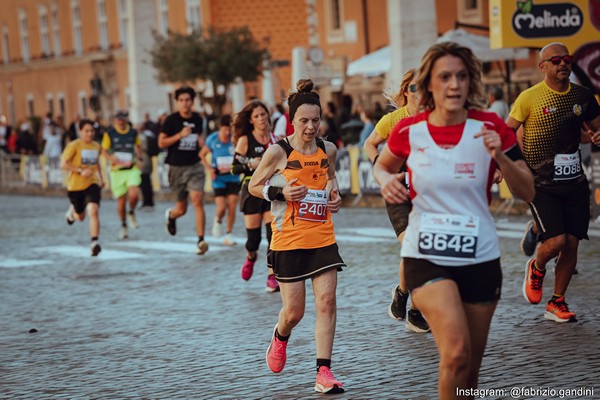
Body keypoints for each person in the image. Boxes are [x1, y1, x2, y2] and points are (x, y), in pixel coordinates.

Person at [373, 42, 534, 398]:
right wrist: (386, 181)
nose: (454, 84)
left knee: (470, 370)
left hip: (480, 256)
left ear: (470, 81)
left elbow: (527, 191)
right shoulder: (408, 130)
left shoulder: (491, 126)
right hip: (426, 253)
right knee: (456, 353)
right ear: (429, 83)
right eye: (445, 76)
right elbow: (381, 165)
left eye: (461, 76)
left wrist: (501, 159)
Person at [248, 78, 345, 394]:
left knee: (327, 302)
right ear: (292, 120)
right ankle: (280, 335)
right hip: (287, 240)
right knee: (294, 312)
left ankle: (323, 372)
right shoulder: (279, 151)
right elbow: (253, 186)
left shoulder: (327, 149)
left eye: (316, 120)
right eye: (304, 120)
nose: (311, 126)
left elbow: (330, 180)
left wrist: (335, 195)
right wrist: (281, 191)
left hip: (321, 235)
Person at [506, 42, 600, 323]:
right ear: (542, 66)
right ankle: (536, 266)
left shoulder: (583, 96)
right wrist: (512, 165)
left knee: (572, 245)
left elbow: (596, 129)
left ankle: (556, 302)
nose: (563, 64)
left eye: (567, 59)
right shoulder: (529, 98)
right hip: (541, 183)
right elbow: (506, 133)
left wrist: (596, 137)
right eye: (555, 60)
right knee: (556, 240)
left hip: (574, 182)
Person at [363, 68, 429, 333]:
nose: (419, 93)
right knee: (413, 246)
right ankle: (405, 296)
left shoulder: (434, 119)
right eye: (414, 88)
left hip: (426, 194)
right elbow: (370, 144)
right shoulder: (393, 120)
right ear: (405, 92)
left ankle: (413, 306)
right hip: (398, 191)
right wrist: (384, 170)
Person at [231, 100, 279, 292]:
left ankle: (271, 275)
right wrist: (251, 164)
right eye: (256, 116)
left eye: (263, 114)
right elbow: (234, 168)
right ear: (251, 121)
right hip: (251, 191)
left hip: (270, 191)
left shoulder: (275, 139)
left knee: (273, 235)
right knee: (254, 240)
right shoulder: (245, 140)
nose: (261, 118)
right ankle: (251, 257)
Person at [158, 86, 209, 255]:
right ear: (177, 102)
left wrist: (204, 146)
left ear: (192, 102)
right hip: (176, 168)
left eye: (187, 100)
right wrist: (179, 135)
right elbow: (161, 143)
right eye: (181, 100)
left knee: (197, 199)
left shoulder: (198, 119)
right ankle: (172, 216)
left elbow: (199, 139)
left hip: (194, 166)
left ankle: (201, 240)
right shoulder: (170, 120)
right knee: (182, 208)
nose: (184, 103)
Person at [61, 118, 104, 256]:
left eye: (92, 131)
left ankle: (94, 242)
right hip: (75, 186)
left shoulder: (96, 146)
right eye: (87, 131)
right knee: (81, 217)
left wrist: (101, 179)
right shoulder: (74, 145)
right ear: (80, 131)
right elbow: (64, 164)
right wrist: (80, 170)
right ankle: (72, 214)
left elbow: (96, 163)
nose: (90, 134)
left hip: (92, 183)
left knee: (94, 210)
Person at [101, 110, 142, 240]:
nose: (120, 121)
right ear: (115, 120)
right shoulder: (110, 134)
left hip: (131, 168)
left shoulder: (133, 132)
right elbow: (104, 150)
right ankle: (123, 225)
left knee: (134, 194)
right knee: (121, 201)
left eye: (122, 118)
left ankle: (132, 212)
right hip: (117, 171)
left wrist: (140, 158)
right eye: (118, 119)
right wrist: (110, 158)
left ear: (126, 119)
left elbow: (138, 146)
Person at [200, 114, 239, 246]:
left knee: (232, 205)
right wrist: (209, 168)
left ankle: (229, 233)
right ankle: (217, 221)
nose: (226, 133)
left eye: (229, 130)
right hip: (218, 179)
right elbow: (202, 154)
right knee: (222, 207)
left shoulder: (235, 140)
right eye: (224, 130)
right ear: (219, 129)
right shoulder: (212, 139)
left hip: (233, 177)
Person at [139, 112, 160, 211]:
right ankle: (149, 201)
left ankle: (147, 202)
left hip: (143, 161)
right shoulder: (150, 135)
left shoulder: (141, 137)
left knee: (144, 183)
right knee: (147, 181)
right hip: (148, 161)